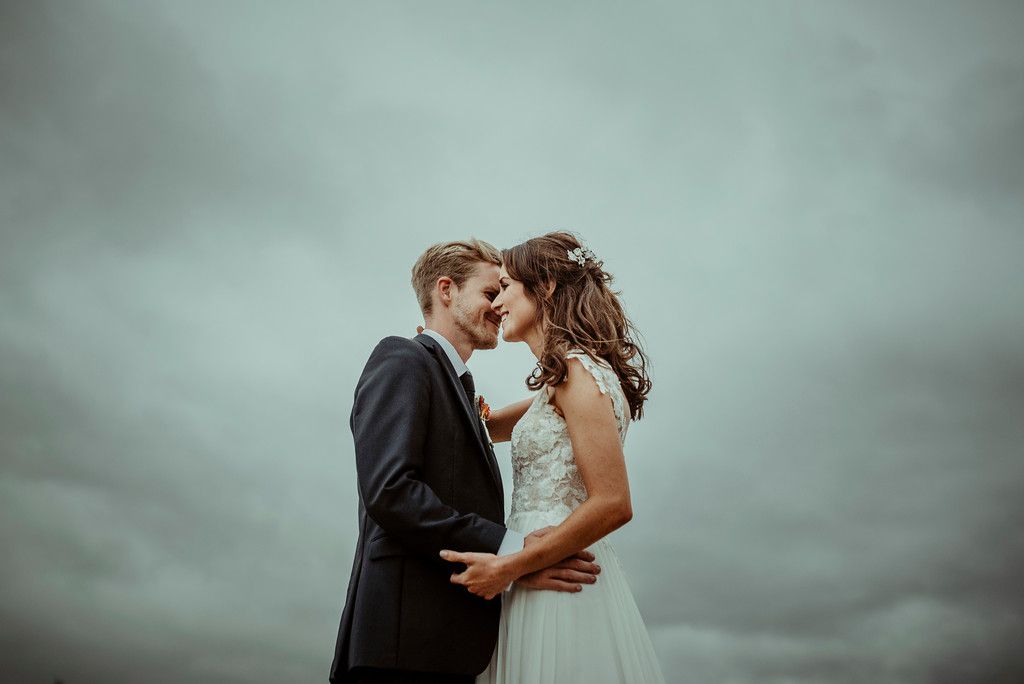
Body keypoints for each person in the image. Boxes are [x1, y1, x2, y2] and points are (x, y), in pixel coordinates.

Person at [330, 239, 602, 684]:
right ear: (446, 290)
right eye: (489, 293)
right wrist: (514, 552)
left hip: (452, 648)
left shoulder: (462, 389)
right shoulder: (403, 359)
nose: (499, 305)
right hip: (400, 649)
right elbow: (392, 492)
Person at [440, 232, 666, 683]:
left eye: (504, 287)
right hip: (535, 567)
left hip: (557, 574)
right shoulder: (561, 381)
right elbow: (483, 426)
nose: (497, 301)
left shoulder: (579, 375)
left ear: (543, 288)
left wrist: (508, 567)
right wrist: (437, 359)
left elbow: (613, 502)